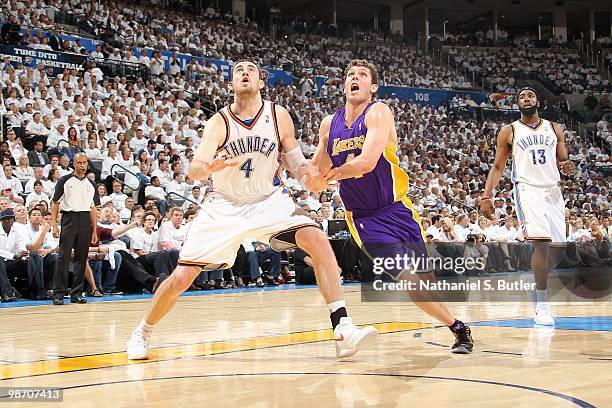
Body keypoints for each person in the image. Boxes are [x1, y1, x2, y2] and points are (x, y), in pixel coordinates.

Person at [127, 59, 377, 360]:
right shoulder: (219, 121)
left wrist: (309, 176)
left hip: (268, 200)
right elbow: (194, 169)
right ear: (232, 83)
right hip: (225, 205)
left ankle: (343, 328)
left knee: (318, 239)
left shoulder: (278, 115)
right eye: (238, 71)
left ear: (261, 82)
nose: (244, 73)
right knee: (182, 276)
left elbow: (295, 161)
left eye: (250, 70)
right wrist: (207, 167)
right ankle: (142, 331)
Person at [311, 59, 473, 354]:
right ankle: (458, 328)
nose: (354, 78)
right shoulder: (328, 124)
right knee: (408, 280)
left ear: (372, 87)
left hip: (399, 211)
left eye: (362, 75)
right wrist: (308, 173)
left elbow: (368, 162)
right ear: (344, 84)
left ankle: (452, 322)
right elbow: (316, 173)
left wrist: (331, 175)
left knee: (425, 282)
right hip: (364, 219)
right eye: (350, 75)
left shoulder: (379, 112)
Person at [480, 87, 576, 326]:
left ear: (538, 101)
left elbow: (563, 160)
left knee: (559, 248)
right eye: (522, 96)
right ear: (517, 104)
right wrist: (486, 195)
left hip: (552, 189)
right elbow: (499, 167)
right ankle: (542, 303)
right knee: (541, 244)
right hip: (527, 188)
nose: (526, 98)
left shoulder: (555, 128)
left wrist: (568, 166)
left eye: (530, 95)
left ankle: (536, 287)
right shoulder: (509, 131)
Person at [50, 153, 100, 305]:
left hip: (85, 220)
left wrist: (94, 230)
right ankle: (58, 293)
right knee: (63, 257)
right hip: (69, 219)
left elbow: (93, 209)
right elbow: (55, 203)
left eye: (84, 162)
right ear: (73, 163)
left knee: (81, 258)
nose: (82, 165)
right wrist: (54, 224)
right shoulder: (65, 180)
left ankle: (77, 293)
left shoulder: (91, 184)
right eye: (79, 163)